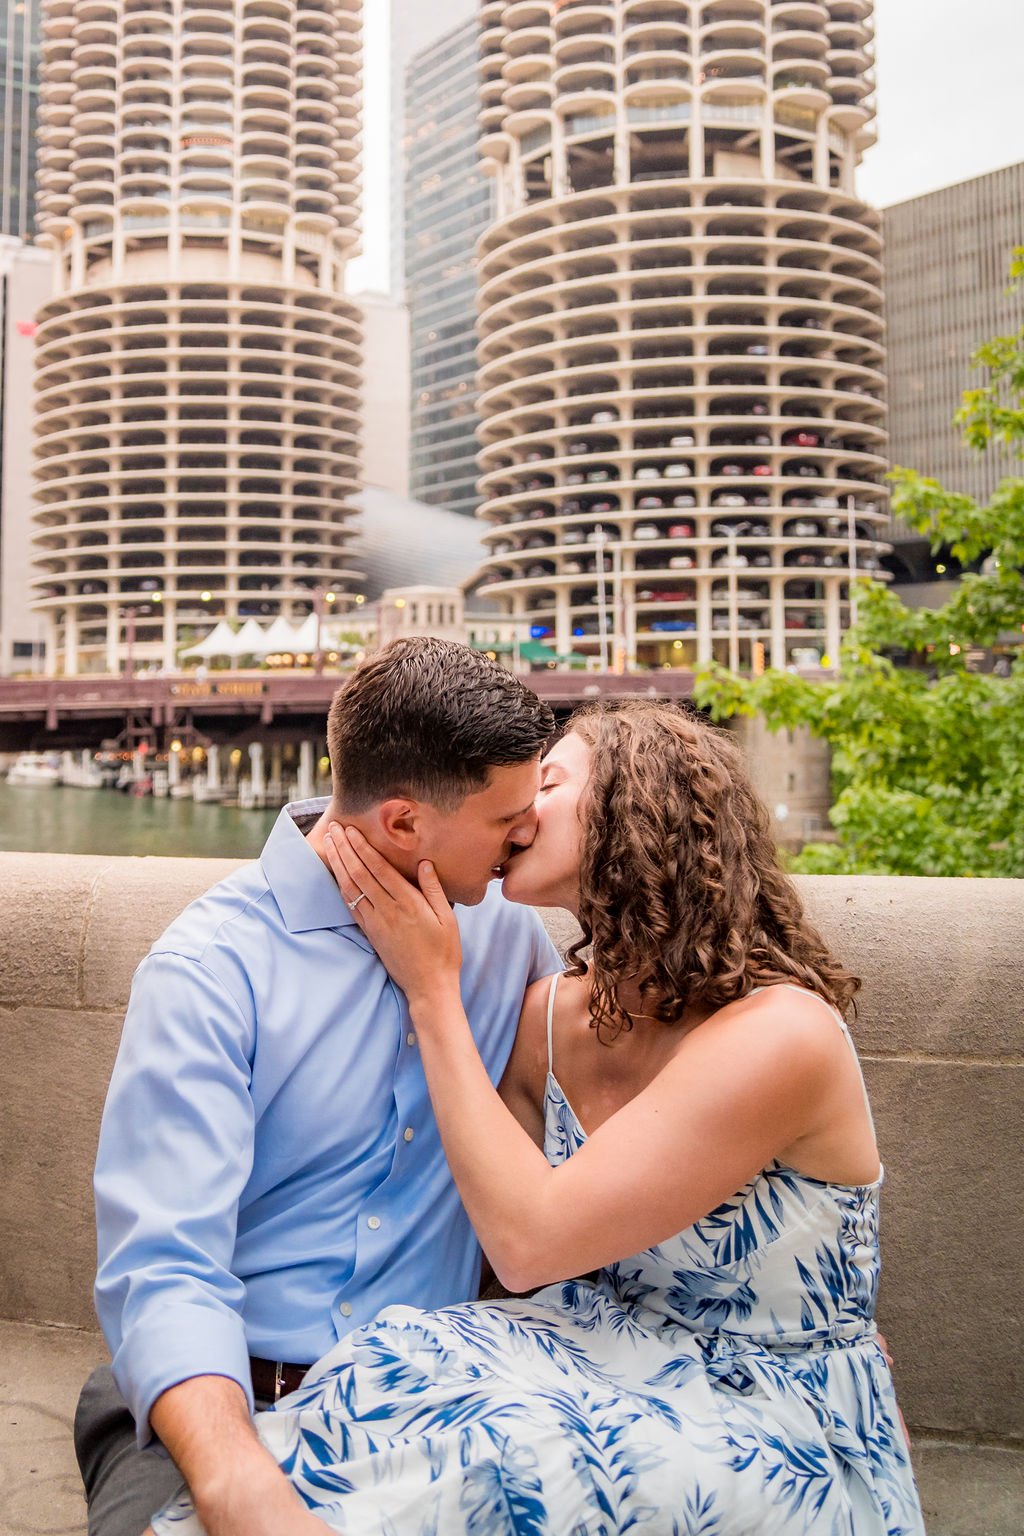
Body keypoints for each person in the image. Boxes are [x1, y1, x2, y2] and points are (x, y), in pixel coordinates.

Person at [150, 698, 924, 1536]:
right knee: (393, 1360)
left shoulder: (784, 1034)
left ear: (638, 811)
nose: (521, 809)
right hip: (592, 1345)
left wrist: (432, 991)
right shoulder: (548, 1017)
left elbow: (527, 1244)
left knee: (507, 1454)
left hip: (763, 1393)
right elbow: (489, 1211)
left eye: (547, 782)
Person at [74, 638, 562, 1536]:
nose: (528, 833)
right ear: (406, 824)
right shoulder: (209, 967)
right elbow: (166, 1265)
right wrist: (238, 1482)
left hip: (425, 1397)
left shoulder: (514, 941)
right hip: (222, 1401)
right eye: (508, 820)